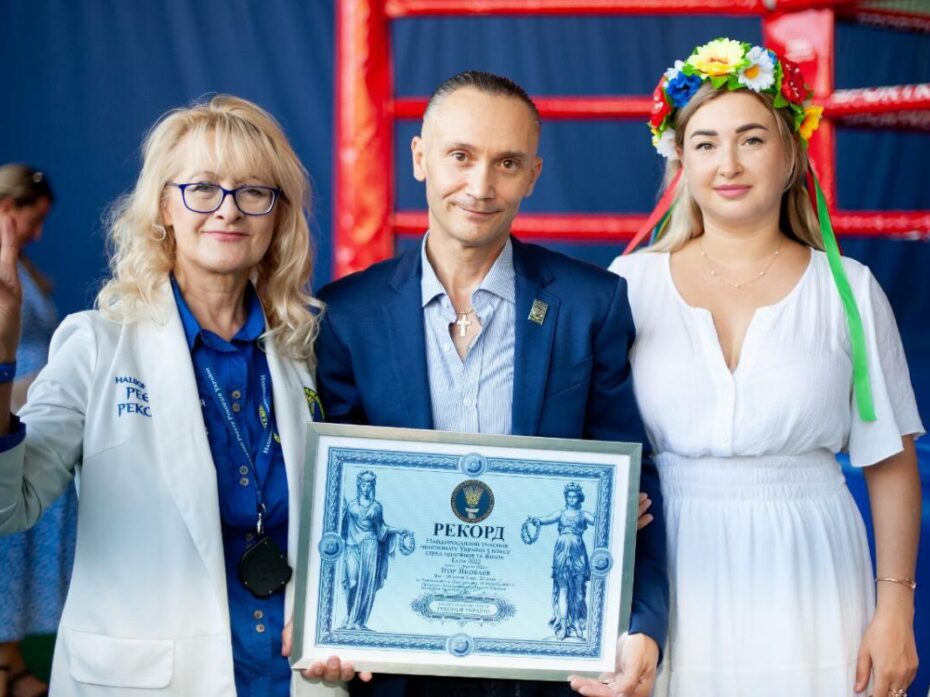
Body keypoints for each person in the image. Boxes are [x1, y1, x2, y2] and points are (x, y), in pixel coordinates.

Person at [315, 70, 668, 697]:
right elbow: (329, 491)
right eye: (460, 156)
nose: (481, 186)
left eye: (507, 163)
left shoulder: (591, 304)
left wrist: (642, 623)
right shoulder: (347, 314)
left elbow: (637, 485)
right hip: (398, 663)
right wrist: (327, 621)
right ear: (420, 158)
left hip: (548, 667)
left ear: (533, 174)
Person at [603, 38, 923, 697]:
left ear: (790, 154)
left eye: (751, 139)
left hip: (810, 563)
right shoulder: (629, 284)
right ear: (681, 161)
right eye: (705, 144)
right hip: (668, 568)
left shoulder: (849, 288)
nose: (728, 164)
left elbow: (890, 462)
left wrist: (896, 607)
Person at [0, 96, 338, 696]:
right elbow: (10, 505)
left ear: (278, 215)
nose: (228, 209)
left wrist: (334, 622)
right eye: (202, 188)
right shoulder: (97, 345)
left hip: (288, 678)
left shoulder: (305, 353)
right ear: (163, 206)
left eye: (254, 191)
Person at [0, 165, 76, 697]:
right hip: (10, 412)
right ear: (8, 208)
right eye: (35, 218)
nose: (39, 232)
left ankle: (11, 657)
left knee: (21, 546)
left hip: (32, 420)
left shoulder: (23, 268)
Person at [524, 482, 596, 641]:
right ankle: (563, 625)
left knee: (578, 590)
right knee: (563, 588)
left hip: (578, 552)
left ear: (579, 498)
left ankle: (576, 622)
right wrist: (535, 520)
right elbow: (545, 519)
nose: (571, 499)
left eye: (574, 496)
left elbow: (599, 522)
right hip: (562, 552)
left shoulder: (584, 515)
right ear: (566, 498)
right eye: (569, 496)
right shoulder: (560, 513)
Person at [340, 471, 410, 630]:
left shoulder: (377, 507)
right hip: (352, 546)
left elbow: (381, 530)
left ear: (372, 487)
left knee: (366, 586)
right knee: (352, 582)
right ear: (359, 485)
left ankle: (357, 620)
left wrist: (398, 530)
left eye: (369, 485)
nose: (366, 488)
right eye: (364, 485)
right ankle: (349, 614)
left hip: (370, 547)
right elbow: (343, 526)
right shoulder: (351, 505)